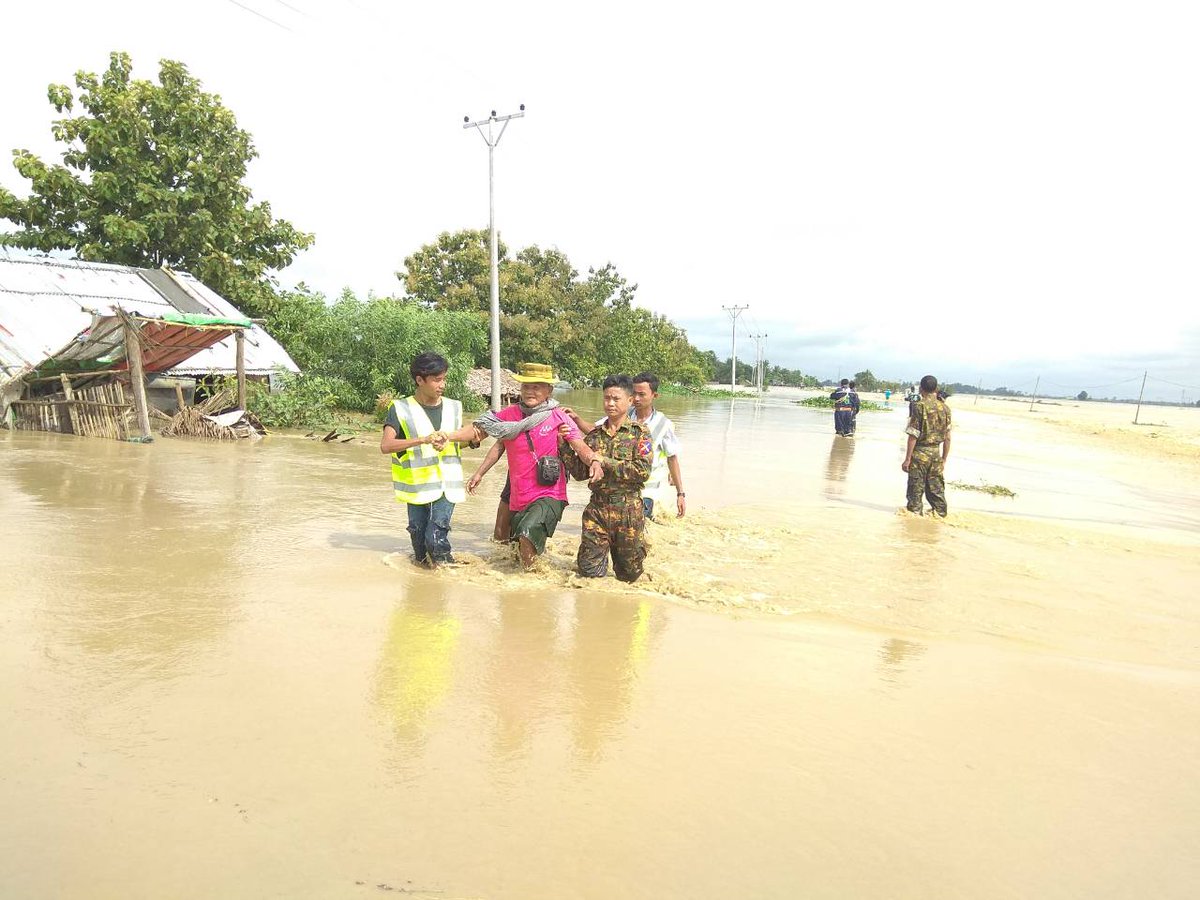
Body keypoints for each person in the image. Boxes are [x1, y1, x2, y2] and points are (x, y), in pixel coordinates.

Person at [456, 362, 598, 569]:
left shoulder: (559, 417)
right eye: (526, 386)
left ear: (549, 390)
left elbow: (579, 445)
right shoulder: (508, 415)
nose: (530, 391)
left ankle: (531, 584)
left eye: (537, 386)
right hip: (518, 493)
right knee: (511, 547)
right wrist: (479, 473)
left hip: (549, 492)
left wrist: (593, 460)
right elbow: (496, 443)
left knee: (527, 533)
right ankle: (523, 582)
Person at [380, 352, 473, 566]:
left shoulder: (454, 406)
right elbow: (386, 446)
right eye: (437, 379)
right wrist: (422, 440)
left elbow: (469, 436)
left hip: (447, 485)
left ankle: (448, 577)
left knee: (435, 537)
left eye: (444, 378)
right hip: (416, 487)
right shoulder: (400, 408)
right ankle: (423, 587)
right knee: (419, 543)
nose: (443, 385)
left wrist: (450, 438)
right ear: (419, 380)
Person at [561, 374, 652, 582]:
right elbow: (580, 473)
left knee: (629, 576)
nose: (610, 403)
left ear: (630, 401)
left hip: (628, 512)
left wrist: (603, 461)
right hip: (597, 511)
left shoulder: (640, 434)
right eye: (606, 398)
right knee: (589, 574)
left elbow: (642, 471)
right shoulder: (595, 436)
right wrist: (564, 445)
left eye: (616, 399)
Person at [563, 371, 686, 520]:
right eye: (635, 393)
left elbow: (672, 458)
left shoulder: (662, 425)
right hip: (603, 500)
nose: (637, 398)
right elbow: (595, 434)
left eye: (642, 394)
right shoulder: (618, 416)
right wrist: (572, 427)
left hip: (644, 493)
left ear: (654, 395)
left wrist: (680, 493)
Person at [902, 374, 952, 517]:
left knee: (915, 496)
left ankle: (914, 524)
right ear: (936, 389)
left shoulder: (919, 407)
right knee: (937, 492)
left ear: (921, 389)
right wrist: (944, 459)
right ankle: (939, 520)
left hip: (919, 455)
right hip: (936, 455)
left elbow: (913, 435)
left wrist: (907, 459)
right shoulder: (945, 409)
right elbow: (948, 438)